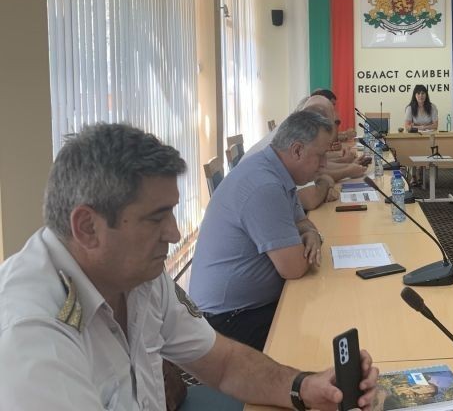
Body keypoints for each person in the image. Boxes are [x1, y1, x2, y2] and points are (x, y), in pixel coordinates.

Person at [0, 123, 378, 410]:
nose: (174, 233)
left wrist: (304, 387)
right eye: (156, 217)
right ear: (87, 227)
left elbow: (224, 364)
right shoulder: (31, 340)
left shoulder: (134, 274)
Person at [190, 111, 335, 351]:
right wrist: (311, 239)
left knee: (326, 311)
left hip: (245, 309)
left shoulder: (276, 170)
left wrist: (312, 235)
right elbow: (295, 268)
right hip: (228, 322)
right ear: (297, 150)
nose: (325, 164)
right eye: (320, 155)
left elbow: (302, 222)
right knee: (326, 326)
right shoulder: (264, 184)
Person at [404, 85, 439, 186]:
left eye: (423, 93)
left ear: (426, 95)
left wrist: (416, 125)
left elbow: (435, 125)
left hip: (427, 137)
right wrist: (424, 127)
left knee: (424, 149)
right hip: (414, 137)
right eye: (418, 93)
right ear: (415, 95)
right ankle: (413, 175)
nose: (421, 95)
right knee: (414, 151)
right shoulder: (410, 108)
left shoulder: (432, 107)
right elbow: (407, 127)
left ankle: (420, 173)